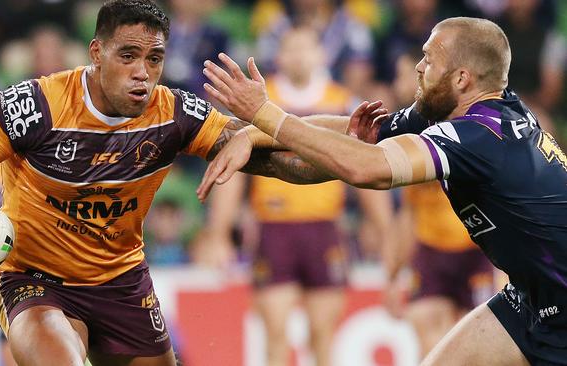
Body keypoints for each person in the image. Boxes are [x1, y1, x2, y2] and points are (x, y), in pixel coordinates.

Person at [0, 1, 354, 365]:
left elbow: (286, 161)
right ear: (96, 52)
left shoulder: (175, 114)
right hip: (33, 276)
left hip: (121, 280)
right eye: (127, 55)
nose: (143, 72)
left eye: (154, 59)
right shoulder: (39, 106)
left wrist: (352, 144)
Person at [198, 16, 567, 365]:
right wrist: (252, 132)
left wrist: (264, 115)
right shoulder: (478, 110)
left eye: (428, 58)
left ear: (461, 79)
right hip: (531, 296)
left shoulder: (475, 138)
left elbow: (366, 168)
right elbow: (354, 136)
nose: (418, 68)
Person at [199, 26, 395, 366]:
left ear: (322, 55)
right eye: (291, 49)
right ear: (279, 56)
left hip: (324, 229)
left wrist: (384, 230)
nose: (299, 56)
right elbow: (237, 167)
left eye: (306, 48)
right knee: (275, 335)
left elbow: (365, 162)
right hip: (274, 229)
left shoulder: (343, 103)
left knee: (323, 336)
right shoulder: (261, 100)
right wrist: (218, 233)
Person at [383, 50, 495, 360]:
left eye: (409, 75)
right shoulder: (402, 131)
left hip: (476, 250)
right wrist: (393, 274)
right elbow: (408, 210)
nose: (400, 83)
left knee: (484, 346)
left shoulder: (472, 122)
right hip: (431, 250)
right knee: (428, 339)